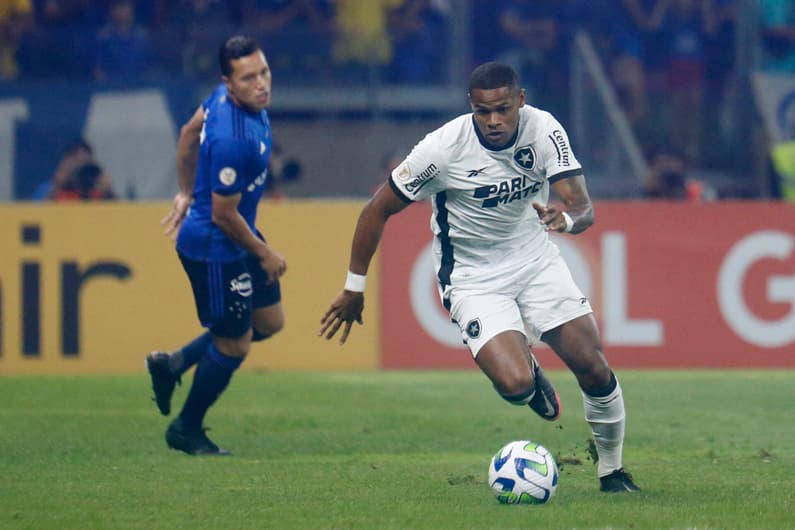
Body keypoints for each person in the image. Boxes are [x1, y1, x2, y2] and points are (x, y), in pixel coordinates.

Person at [319, 62, 640, 493]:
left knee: (593, 365)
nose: (493, 120)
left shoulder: (544, 129)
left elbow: (583, 208)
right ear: (471, 106)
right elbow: (376, 210)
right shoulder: (442, 149)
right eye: (483, 111)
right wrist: (354, 287)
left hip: (534, 260)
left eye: (502, 109)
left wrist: (566, 220)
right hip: (472, 276)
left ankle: (613, 472)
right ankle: (529, 373)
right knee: (514, 384)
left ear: (520, 101)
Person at [146, 35, 287, 456]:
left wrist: (186, 190)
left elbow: (189, 134)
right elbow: (225, 215)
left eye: (263, 72)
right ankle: (186, 429)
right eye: (248, 78)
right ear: (229, 83)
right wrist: (263, 252)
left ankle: (174, 363)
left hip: (238, 233)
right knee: (234, 343)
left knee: (269, 322)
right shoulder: (232, 139)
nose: (261, 83)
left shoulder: (222, 101)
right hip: (215, 246)